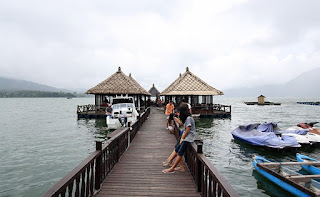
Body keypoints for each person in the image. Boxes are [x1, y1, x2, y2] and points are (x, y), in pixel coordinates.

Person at [162, 104, 196, 173]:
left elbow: (188, 129)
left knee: (180, 153)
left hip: (188, 138)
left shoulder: (189, 118)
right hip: (185, 137)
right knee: (177, 150)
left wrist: (182, 138)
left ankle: (172, 168)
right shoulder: (187, 118)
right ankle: (181, 167)